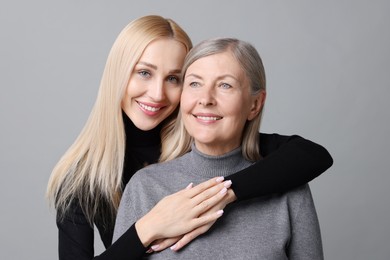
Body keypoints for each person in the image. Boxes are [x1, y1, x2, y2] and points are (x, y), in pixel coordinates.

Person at [46, 15, 332, 260]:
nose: (157, 94)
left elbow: (311, 155)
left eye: (174, 79)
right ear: (117, 75)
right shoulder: (87, 180)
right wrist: (147, 229)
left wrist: (224, 194)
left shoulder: (208, 135)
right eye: (144, 72)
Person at [114, 37, 324, 259]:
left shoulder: (289, 187)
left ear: (255, 104)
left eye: (225, 85)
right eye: (195, 83)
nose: (205, 99)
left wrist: (226, 192)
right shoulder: (145, 186)